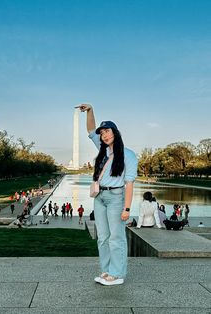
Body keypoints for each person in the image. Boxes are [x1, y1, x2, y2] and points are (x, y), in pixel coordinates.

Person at [77, 104, 138, 286]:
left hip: (116, 198)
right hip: (100, 198)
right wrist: (90, 110)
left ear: (115, 133)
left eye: (107, 131)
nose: (103, 135)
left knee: (116, 237)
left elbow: (129, 184)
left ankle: (117, 274)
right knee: (102, 237)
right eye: (102, 133)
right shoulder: (102, 149)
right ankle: (106, 270)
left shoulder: (128, 155)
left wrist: (127, 208)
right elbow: (90, 130)